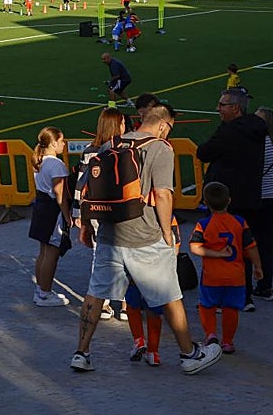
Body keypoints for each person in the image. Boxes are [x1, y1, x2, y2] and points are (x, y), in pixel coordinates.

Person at [70, 101, 222, 375]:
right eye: (170, 129)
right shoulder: (159, 148)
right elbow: (163, 194)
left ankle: (82, 352)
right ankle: (189, 354)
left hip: (109, 234)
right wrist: (166, 231)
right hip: (145, 235)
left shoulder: (113, 144)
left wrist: (87, 226)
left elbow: (88, 186)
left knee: (95, 293)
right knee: (169, 295)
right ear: (163, 124)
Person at [195, 87, 267, 311]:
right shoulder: (257, 128)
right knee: (244, 246)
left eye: (222, 105)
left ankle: (217, 297)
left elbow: (203, 152)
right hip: (250, 196)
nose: (218, 109)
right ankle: (244, 297)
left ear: (235, 108)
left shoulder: (228, 132)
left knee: (217, 247)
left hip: (224, 200)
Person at [191, 181, 263, 355]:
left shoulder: (204, 224)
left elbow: (195, 247)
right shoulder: (239, 222)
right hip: (236, 276)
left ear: (205, 203)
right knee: (231, 309)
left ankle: (210, 334)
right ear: (229, 201)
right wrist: (258, 267)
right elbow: (251, 246)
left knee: (207, 306)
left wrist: (216, 254)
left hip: (212, 276)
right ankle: (228, 342)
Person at [74, 107, 128, 322]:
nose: (125, 126)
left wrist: (79, 212)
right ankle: (123, 303)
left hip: (96, 211)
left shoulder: (90, 150)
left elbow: (80, 182)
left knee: (100, 256)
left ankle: (103, 302)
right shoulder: (125, 149)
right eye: (123, 123)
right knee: (123, 256)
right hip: (119, 210)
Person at [30, 127, 74, 306]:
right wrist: (67, 214)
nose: (63, 144)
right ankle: (45, 294)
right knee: (52, 254)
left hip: (41, 208)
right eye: (62, 141)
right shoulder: (56, 164)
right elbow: (59, 192)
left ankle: (41, 289)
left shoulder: (39, 161)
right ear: (54, 142)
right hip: (52, 212)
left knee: (43, 251)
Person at [251, 106, 273, 300]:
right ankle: (265, 285)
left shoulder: (258, 143)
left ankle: (252, 285)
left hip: (258, 198)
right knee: (266, 243)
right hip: (270, 197)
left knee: (251, 243)